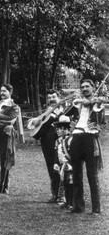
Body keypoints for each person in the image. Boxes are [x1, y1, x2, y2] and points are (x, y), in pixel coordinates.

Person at [63, 79, 105, 214]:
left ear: (93, 87)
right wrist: (77, 101)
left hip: (89, 137)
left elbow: (99, 104)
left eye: (87, 86)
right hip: (76, 137)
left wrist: (90, 101)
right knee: (76, 173)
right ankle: (78, 206)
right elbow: (65, 113)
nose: (84, 88)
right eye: (82, 87)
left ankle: (96, 208)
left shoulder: (97, 103)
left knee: (92, 174)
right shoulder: (78, 103)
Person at [27, 89, 67, 203]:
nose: (51, 99)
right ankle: (55, 194)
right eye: (49, 97)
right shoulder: (47, 111)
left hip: (60, 143)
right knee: (51, 168)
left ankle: (64, 195)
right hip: (47, 143)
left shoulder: (65, 109)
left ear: (58, 97)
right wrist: (34, 121)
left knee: (63, 167)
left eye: (54, 96)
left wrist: (58, 113)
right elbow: (34, 125)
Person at [53, 115, 74, 210]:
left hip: (70, 165)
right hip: (62, 165)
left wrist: (70, 164)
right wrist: (56, 163)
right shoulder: (58, 140)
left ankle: (71, 202)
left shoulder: (71, 140)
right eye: (59, 128)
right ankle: (66, 201)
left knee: (70, 183)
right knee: (64, 183)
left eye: (63, 129)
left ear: (68, 130)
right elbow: (56, 154)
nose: (60, 131)